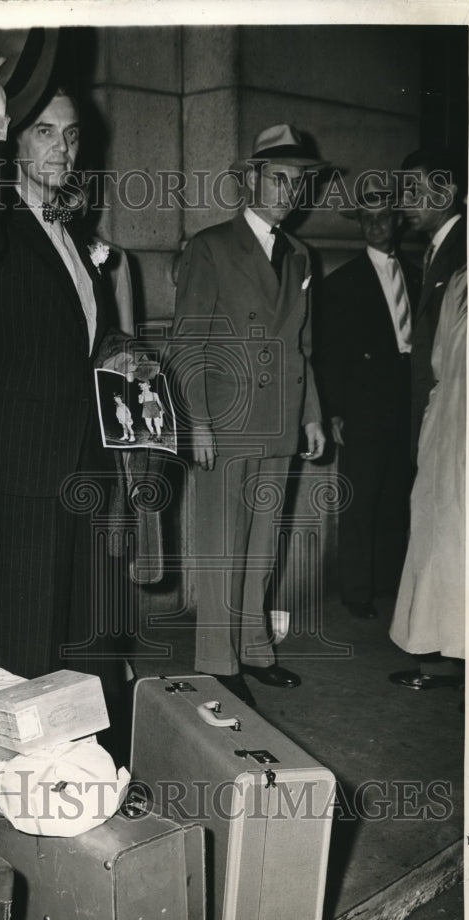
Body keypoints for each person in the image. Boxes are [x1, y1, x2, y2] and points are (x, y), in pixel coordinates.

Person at [0, 45, 118, 690]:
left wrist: (118, 349)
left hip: (81, 459)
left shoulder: (68, 231)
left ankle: (87, 774)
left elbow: (73, 338)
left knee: (84, 637)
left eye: (71, 136)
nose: (63, 149)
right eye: (45, 133)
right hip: (27, 466)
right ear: (17, 144)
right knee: (27, 647)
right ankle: (21, 785)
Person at [168, 123, 327, 707]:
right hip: (228, 420)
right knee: (222, 547)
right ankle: (216, 660)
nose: (289, 192)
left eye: (299, 183)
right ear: (251, 179)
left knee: (262, 548)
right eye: (280, 179)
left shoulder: (302, 255)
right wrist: (199, 421)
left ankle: (255, 649)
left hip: (281, 419)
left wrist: (311, 414)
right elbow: (187, 342)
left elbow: (301, 345)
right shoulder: (210, 246)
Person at [319, 178, 420, 620]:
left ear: (398, 220)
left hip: (408, 398)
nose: (376, 225)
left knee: (398, 492)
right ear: (360, 223)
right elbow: (328, 352)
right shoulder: (343, 282)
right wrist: (334, 410)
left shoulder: (417, 275)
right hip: (362, 402)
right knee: (360, 496)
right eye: (368, 217)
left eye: (384, 216)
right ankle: (357, 590)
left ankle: (389, 581)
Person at [388, 266, 466, 690]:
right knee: (443, 541)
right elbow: (439, 359)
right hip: (452, 424)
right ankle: (446, 657)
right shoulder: (461, 281)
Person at [399, 148, 466, 463]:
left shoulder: (466, 252)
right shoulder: (434, 252)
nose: (406, 202)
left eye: (416, 191)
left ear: (447, 192)